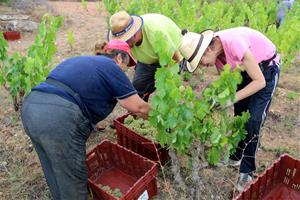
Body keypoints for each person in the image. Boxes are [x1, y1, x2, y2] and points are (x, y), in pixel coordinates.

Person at [21, 40, 150, 200]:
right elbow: (138, 108)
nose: (126, 70)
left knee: (53, 167)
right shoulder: (111, 67)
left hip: (31, 107)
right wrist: (159, 119)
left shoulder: (82, 61)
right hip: (57, 118)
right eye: (127, 64)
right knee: (73, 178)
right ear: (119, 58)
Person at [179, 27, 280, 192]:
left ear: (208, 49)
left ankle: (247, 171)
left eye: (200, 62)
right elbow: (229, 83)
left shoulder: (235, 43)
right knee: (240, 114)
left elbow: (259, 82)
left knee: (253, 120)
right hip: (245, 74)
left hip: (265, 72)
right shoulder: (218, 56)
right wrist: (215, 101)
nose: (202, 67)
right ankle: (235, 157)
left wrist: (230, 99)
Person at [108, 11, 184, 101]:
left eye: (126, 39)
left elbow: (175, 58)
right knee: (137, 87)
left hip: (171, 56)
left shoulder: (155, 32)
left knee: (168, 90)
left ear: (134, 33)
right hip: (149, 59)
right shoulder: (129, 41)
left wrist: (164, 79)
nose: (124, 44)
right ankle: (140, 112)